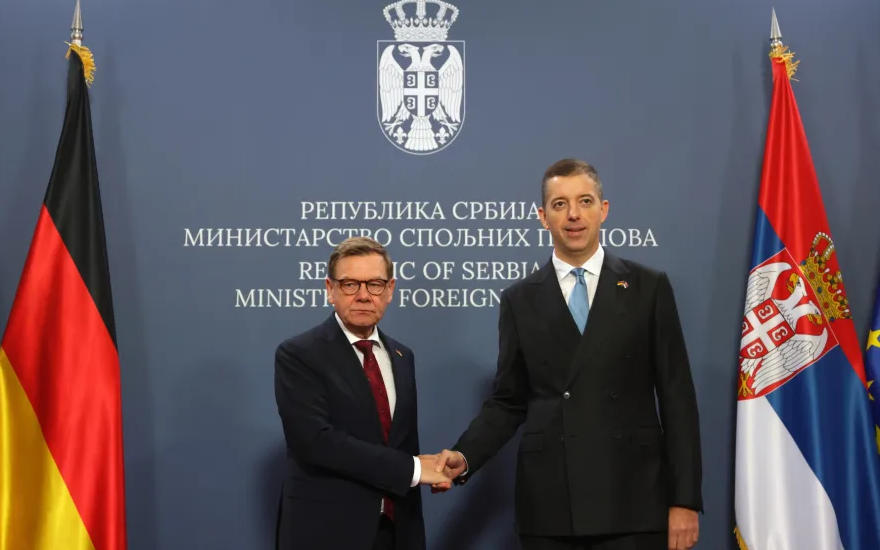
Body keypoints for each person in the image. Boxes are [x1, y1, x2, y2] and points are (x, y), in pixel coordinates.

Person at [432, 159, 704, 550]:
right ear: (543, 217)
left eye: (585, 201)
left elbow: (678, 399)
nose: (573, 214)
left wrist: (684, 500)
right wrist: (464, 455)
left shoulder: (649, 287)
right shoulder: (519, 300)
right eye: (560, 204)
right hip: (552, 506)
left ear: (603, 210)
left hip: (634, 499)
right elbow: (509, 402)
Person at [274, 236, 449, 550]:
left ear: (390, 290)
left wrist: (433, 470)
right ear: (330, 289)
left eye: (375, 284)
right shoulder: (299, 354)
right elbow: (315, 442)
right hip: (326, 533)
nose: (364, 296)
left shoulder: (402, 356)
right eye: (350, 284)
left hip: (396, 532)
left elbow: (401, 443)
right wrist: (413, 469)